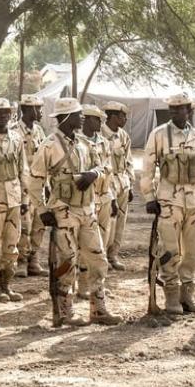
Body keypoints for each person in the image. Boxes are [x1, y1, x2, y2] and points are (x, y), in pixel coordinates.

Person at [28, 97, 121, 326]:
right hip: (63, 212)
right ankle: (64, 311)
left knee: (98, 259)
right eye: (79, 114)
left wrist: (94, 174)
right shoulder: (49, 146)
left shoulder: (83, 144)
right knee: (67, 262)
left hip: (87, 210)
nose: (82, 118)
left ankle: (98, 309)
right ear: (67, 117)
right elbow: (34, 182)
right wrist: (42, 210)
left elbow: (105, 165)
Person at [140, 93, 195, 315]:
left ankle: (187, 296)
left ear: (189, 111)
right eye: (172, 108)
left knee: (192, 252)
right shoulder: (159, 135)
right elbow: (147, 168)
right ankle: (171, 297)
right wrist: (150, 197)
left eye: (180, 108)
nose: (174, 112)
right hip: (168, 202)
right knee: (170, 250)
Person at [0, 97, 25, 303]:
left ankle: (6, 284)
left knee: (12, 243)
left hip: (14, 197)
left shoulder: (17, 139)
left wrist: (25, 198)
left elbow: (23, 169)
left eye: (7, 112)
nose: (3, 115)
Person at [78, 105, 114, 299]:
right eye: (97, 119)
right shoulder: (78, 142)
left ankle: (98, 284)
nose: (101, 123)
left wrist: (113, 196)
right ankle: (82, 285)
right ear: (88, 120)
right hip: (87, 200)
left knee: (102, 243)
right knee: (85, 246)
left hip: (105, 196)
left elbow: (109, 167)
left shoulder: (103, 142)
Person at [14, 94, 48, 278]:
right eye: (37, 108)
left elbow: (44, 159)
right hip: (22, 186)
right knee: (24, 225)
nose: (41, 111)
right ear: (27, 110)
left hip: (39, 185)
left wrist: (47, 184)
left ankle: (33, 259)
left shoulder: (39, 131)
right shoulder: (14, 131)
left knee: (39, 223)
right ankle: (21, 261)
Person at [102, 101, 134, 271]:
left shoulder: (123, 136)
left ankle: (113, 255)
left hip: (122, 182)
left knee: (121, 221)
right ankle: (102, 256)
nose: (125, 119)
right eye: (122, 116)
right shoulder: (100, 134)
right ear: (112, 116)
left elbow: (128, 161)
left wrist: (130, 183)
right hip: (107, 183)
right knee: (108, 222)